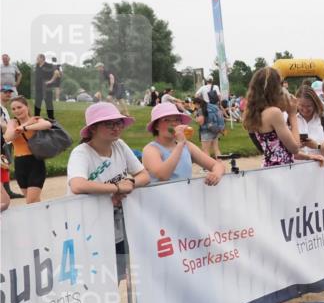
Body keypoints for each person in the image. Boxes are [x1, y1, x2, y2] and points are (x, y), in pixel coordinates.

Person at [243, 68, 324, 303]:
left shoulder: (253, 114)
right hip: (280, 177)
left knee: (277, 233)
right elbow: (292, 144)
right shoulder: (276, 113)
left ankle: (277, 289)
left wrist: (309, 158)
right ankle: (277, 293)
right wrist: (293, 116)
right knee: (282, 235)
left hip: (270, 170)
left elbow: (274, 150)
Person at [68, 103, 151, 279]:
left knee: (118, 274)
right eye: (109, 124)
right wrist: (116, 188)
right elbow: (77, 185)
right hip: (88, 226)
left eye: (118, 123)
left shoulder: (119, 145)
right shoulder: (81, 153)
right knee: (94, 276)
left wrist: (129, 183)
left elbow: (143, 175)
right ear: (93, 128)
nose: (116, 128)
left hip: (115, 225)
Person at [142, 102, 225, 185]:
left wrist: (216, 174)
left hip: (184, 194)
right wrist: (180, 144)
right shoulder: (151, 150)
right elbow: (163, 175)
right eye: (166, 120)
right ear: (156, 126)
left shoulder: (187, 146)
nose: (173, 123)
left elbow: (217, 165)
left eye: (177, 119)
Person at [3, 96, 52, 204]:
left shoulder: (36, 119)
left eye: (19, 107)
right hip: (20, 164)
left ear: (27, 107)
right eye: (14, 109)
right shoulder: (13, 122)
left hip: (35, 162)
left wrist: (25, 127)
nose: (17, 111)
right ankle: (42, 219)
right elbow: (8, 137)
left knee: (31, 201)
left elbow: (47, 125)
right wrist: (25, 125)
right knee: (33, 201)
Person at [295, 85, 324, 157]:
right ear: (296, 103)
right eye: (301, 106)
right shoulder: (290, 119)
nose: (305, 110)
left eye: (309, 106)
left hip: (320, 166)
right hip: (296, 167)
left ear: (315, 103)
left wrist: (317, 145)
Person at [1, 86, 22, 199]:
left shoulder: (4, 108)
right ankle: (6, 192)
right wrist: (13, 130)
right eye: (5, 92)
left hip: (6, 141)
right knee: (3, 165)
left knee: (5, 165)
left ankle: (6, 191)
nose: (8, 94)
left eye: (9, 92)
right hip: (3, 141)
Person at [33, 54, 55, 119]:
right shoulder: (37, 66)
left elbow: (56, 73)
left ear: (42, 58)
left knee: (48, 103)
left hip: (46, 87)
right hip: (38, 88)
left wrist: (50, 81)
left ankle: (51, 118)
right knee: (37, 102)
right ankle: (36, 117)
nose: (36, 59)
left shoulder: (49, 65)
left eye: (38, 58)